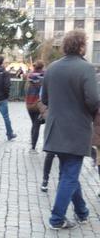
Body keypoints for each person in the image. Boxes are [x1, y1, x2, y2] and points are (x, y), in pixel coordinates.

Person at [42, 29, 99, 230]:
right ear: (82, 46)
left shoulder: (52, 67)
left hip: (55, 128)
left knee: (68, 173)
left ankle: (82, 212)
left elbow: (44, 99)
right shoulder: (86, 69)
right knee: (70, 174)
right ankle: (57, 219)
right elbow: (94, 101)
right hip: (76, 130)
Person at [25, 60, 45, 153]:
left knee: (34, 124)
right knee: (37, 125)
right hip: (38, 104)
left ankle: (32, 143)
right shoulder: (44, 76)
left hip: (29, 104)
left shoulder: (30, 76)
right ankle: (33, 147)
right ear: (42, 67)